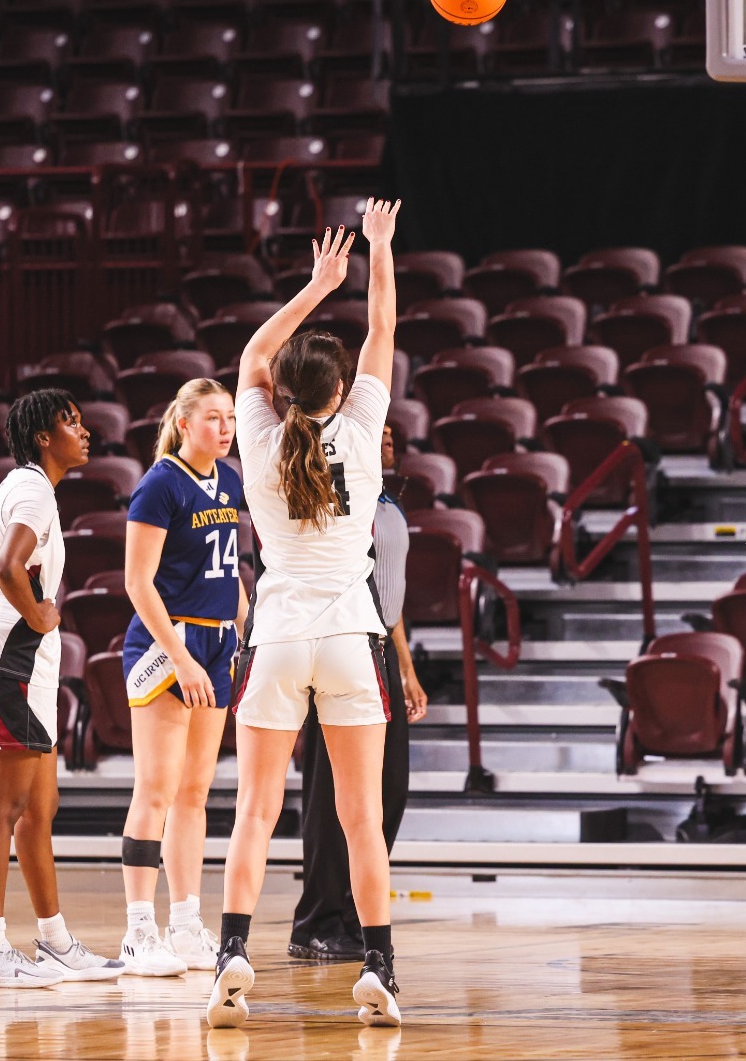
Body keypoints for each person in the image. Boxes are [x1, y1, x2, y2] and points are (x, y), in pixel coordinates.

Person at [206, 199, 404, 1031]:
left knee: (254, 811)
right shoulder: (361, 429)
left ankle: (231, 954)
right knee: (362, 820)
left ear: (284, 391)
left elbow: (253, 354)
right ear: (341, 390)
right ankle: (379, 968)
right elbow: (383, 328)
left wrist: (319, 284)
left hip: (279, 636)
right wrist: (377, 252)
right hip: (352, 636)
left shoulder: (258, 434)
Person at [0, 389, 125, 988]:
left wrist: (27, 610)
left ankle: (55, 942)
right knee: (3, 805)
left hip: (24, 661)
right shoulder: (32, 490)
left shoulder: (23, 487)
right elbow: (4, 566)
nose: (85, 431)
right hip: (12, 659)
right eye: (70, 422)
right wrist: (36, 615)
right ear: (43, 438)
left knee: (39, 809)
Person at [115, 378, 249, 977]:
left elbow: (229, 568)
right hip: (166, 642)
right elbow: (136, 582)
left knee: (196, 792)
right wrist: (180, 657)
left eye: (230, 418)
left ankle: (186, 923)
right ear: (185, 423)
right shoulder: (160, 483)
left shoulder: (231, 480)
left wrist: (246, 625)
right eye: (214, 418)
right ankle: (138, 930)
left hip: (217, 641)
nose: (226, 428)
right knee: (157, 789)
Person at [289, 418, 428, 960]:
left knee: (391, 788)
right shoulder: (342, 500)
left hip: (381, 650)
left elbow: (393, 596)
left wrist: (407, 668)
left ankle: (353, 912)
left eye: (394, 434)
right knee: (330, 793)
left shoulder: (388, 502)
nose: (388, 438)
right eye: (379, 432)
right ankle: (315, 921)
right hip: (342, 646)